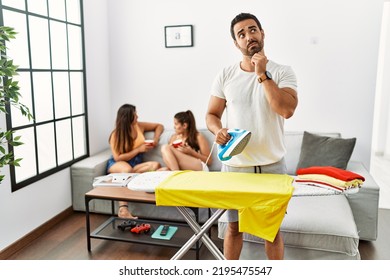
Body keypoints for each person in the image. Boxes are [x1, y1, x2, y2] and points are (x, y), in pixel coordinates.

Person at [205, 13, 298, 260]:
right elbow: (212, 115)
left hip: (272, 166)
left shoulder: (282, 72)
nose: (249, 36)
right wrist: (218, 130)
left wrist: (262, 73)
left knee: (272, 232)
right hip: (235, 168)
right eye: (242, 34)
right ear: (236, 43)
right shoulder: (225, 75)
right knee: (233, 229)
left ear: (262, 33)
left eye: (253, 30)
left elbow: (286, 109)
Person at [107, 104, 164, 219]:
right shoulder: (116, 134)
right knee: (126, 169)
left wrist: (156, 139)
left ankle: (131, 178)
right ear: (127, 117)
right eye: (135, 114)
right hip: (118, 163)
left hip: (135, 163)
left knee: (156, 165)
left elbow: (159, 126)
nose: (137, 116)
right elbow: (118, 157)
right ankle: (123, 209)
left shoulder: (139, 126)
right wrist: (138, 149)